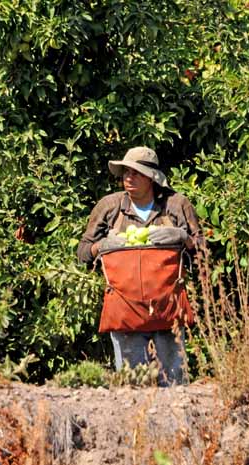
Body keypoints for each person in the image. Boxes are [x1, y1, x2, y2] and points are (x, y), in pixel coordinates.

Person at [78, 146, 202, 386]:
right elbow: (83, 252)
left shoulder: (176, 205)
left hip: (167, 309)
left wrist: (181, 237)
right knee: (132, 386)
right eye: (126, 172)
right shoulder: (110, 207)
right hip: (126, 309)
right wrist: (103, 245)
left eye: (136, 173)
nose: (128, 177)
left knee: (174, 384)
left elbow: (202, 249)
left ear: (152, 178)